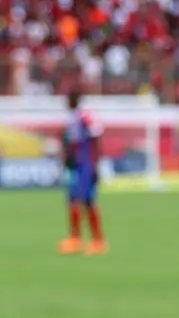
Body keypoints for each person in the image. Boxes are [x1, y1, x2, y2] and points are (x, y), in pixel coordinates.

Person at [58, 92, 107, 255]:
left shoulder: (85, 117)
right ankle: (75, 239)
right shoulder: (72, 118)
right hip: (75, 166)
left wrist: (96, 164)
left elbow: (97, 137)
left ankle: (98, 240)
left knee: (88, 201)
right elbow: (69, 142)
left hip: (86, 164)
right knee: (72, 199)